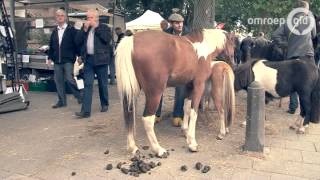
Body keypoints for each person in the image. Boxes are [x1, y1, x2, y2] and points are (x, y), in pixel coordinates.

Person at [272, 0, 316, 115]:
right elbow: (314, 35)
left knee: (293, 82)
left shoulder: (287, 22)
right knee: (308, 84)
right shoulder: (310, 20)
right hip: (307, 55)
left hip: (292, 55)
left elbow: (275, 35)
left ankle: (292, 107)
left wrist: (285, 44)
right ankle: (305, 112)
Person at [75, 9, 112, 118]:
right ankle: (85, 111)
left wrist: (96, 28)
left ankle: (104, 104)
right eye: (87, 18)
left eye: (91, 17)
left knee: (102, 84)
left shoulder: (104, 27)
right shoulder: (85, 28)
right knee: (88, 84)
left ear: (96, 18)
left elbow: (107, 39)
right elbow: (77, 41)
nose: (88, 20)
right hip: (89, 60)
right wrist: (84, 30)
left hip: (101, 60)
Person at [156, 10, 190, 127]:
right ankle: (156, 113)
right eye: (176, 23)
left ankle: (177, 115)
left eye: (181, 22)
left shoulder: (188, 33)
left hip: (183, 66)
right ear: (171, 24)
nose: (180, 25)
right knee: (158, 86)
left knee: (181, 89)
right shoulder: (165, 33)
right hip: (167, 65)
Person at [48, 9, 82, 109]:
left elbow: (77, 44)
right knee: (58, 81)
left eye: (62, 15)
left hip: (68, 59)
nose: (60, 17)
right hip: (57, 61)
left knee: (69, 78)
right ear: (56, 17)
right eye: (58, 15)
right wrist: (50, 57)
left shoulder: (72, 30)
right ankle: (62, 101)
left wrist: (79, 55)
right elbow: (51, 45)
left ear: (65, 17)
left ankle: (79, 95)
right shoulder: (54, 31)